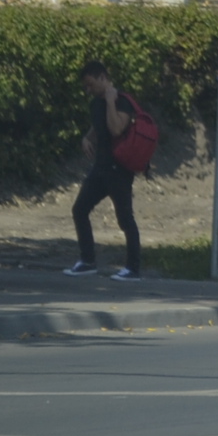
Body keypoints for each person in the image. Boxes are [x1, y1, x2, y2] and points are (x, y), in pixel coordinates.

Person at [66, 59, 141, 280]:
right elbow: (99, 126)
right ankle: (87, 260)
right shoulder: (96, 104)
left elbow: (117, 128)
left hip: (119, 169)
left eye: (91, 84)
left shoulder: (122, 101)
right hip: (100, 167)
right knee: (80, 209)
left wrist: (110, 100)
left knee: (125, 217)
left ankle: (133, 268)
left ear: (103, 78)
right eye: (85, 87)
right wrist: (87, 138)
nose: (89, 90)